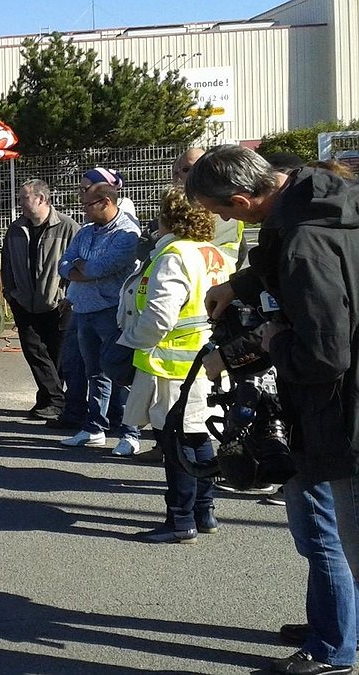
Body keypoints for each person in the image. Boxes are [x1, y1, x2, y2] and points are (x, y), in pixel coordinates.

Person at [188, 145, 359, 675]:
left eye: (224, 212)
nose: (222, 221)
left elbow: (325, 354)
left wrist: (272, 336)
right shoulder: (316, 203)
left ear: (244, 197)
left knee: (338, 538)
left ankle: (336, 646)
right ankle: (333, 630)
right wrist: (238, 284)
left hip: (341, 416)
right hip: (333, 411)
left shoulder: (304, 242)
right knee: (327, 532)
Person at [117, 187, 234, 542]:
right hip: (210, 361)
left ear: (168, 216)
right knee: (199, 438)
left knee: (177, 446)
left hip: (175, 366)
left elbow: (159, 314)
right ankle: (204, 511)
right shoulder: (215, 253)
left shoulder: (173, 254)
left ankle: (180, 520)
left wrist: (130, 339)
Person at [57, 182, 142, 455]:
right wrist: (82, 268)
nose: (83, 210)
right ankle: (95, 427)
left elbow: (99, 267)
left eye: (88, 205)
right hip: (83, 310)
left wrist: (82, 268)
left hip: (112, 311)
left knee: (121, 372)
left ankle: (130, 433)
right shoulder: (84, 232)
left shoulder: (126, 233)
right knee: (94, 372)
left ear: (106, 202)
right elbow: (64, 263)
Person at [2, 179, 79, 421]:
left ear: (41, 199)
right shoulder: (15, 229)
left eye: (25, 198)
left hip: (58, 304)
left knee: (56, 355)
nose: (21, 203)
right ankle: (56, 400)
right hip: (24, 303)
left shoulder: (68, 227)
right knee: (34, 351)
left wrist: (68, 295)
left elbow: (78, 264)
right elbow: (6, 264)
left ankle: (49, 400)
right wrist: (11, 293)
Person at [171, 147, 247, 263]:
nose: (179, 177)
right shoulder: (173, 206)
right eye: (178, 172)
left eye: (189, 169)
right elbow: (144, 247)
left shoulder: (221, 203)